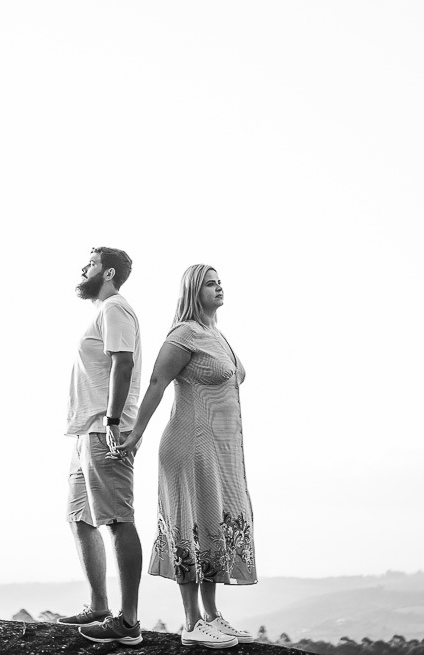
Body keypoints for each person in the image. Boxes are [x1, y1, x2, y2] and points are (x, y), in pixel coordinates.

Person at [112, 264, 256, 649]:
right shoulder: (184, 334)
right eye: (211, 283)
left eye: (220, 281)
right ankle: (192, 623)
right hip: (188, 446)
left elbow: (236, 376)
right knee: (191, 530)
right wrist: (135, 434)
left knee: (212, 529)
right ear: (194, 291)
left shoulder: (215, 334)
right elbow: (157, 383)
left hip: (216, 452)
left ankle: (211, 616)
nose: (219, 286)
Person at [58, 246, 145, 647]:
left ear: (107, 272)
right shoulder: (102, 311)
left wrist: (113, 421)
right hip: (86, 431)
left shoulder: (115, 309)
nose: (83, 268)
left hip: (103, 429)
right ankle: (98, 607)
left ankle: (128, 622)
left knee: (116, 519)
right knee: (80, 517)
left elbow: (122, 362)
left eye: (90, 263)